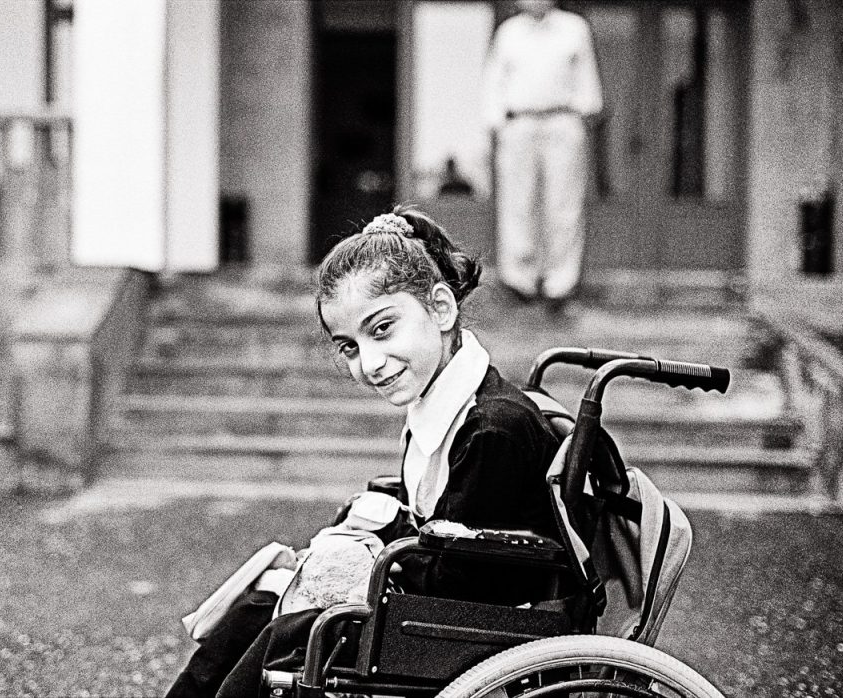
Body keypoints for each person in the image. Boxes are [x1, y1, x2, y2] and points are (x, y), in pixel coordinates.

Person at [165, 206, 561, 697]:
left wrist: (375, 554)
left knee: (290, 631)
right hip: (441, 593)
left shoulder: (492, 429)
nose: (369, 363)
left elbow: (467, 577)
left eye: (381, 330)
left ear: (441, 308)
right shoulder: (449, 399)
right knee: (264, 597)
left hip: (469, 623)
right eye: (348, 347)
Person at [483, 0, 603, 309]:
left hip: (563, 120)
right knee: (517, 201)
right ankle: (519, 280)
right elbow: (494, 81)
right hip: (519, 122)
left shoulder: (574, 28)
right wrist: (496, 123)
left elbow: (587, 80)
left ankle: (560, 284)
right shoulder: (508, 32)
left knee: (564, 202)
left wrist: (586, 113)